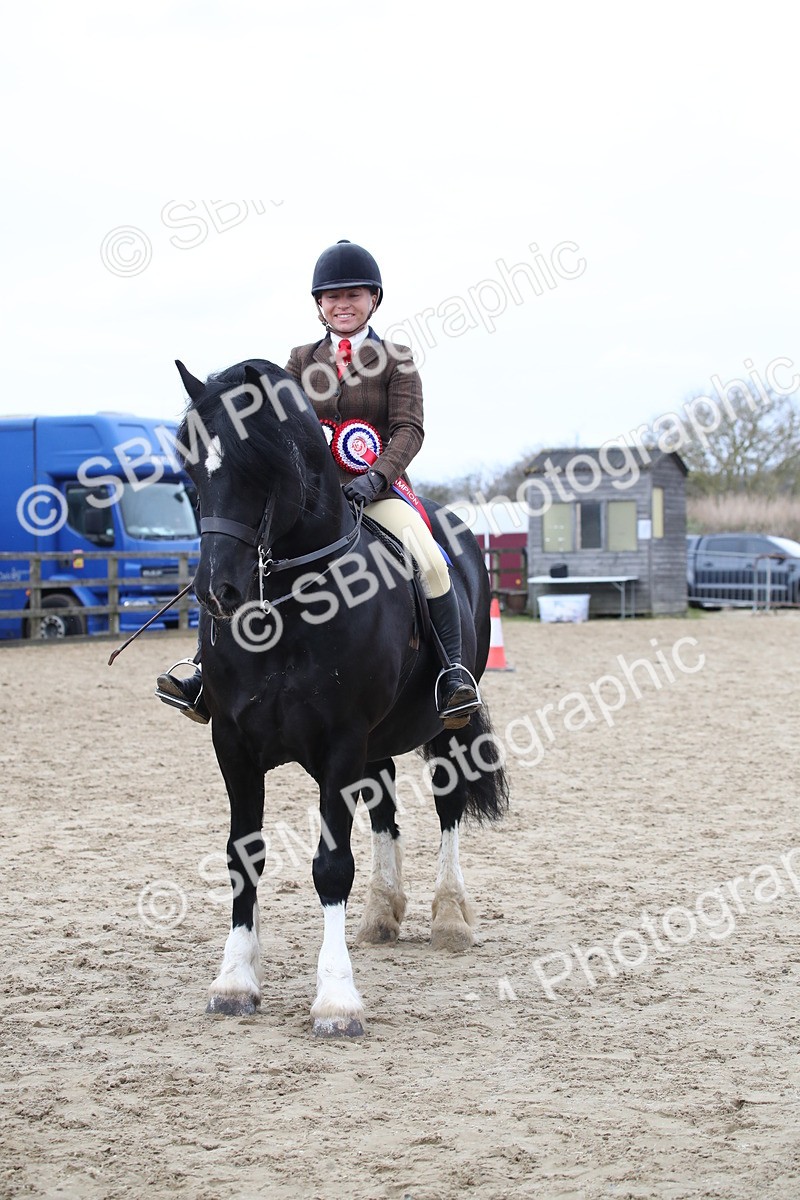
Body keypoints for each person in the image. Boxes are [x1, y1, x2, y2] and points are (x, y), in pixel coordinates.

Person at [156, 240, 481, 729]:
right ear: (319, 305)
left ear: (373, 299)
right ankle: (205, 672)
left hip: (378, 493)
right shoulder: (300, 359)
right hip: (310, 500)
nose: (342, 304)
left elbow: (409, 430)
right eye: (332, 297)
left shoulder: (396, 358)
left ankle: (452, 673)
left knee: (430, 559)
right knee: (240, 556)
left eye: (353, 295)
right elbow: (277, 425)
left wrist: (375, 478)